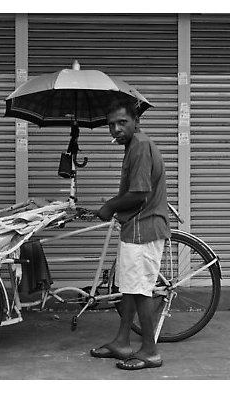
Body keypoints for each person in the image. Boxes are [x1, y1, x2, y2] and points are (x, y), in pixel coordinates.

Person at [90, 98, 171, 370]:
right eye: (111, 124)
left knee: (140, 290)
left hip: (144, 229)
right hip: (134, 228)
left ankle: (150, 351)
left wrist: (110, 206)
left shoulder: (141, 146)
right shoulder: (133, 147)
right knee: (128, 288)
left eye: (122, 122)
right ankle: (122, 342)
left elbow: (138, 194)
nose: (116, 129)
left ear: (136, 122)